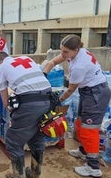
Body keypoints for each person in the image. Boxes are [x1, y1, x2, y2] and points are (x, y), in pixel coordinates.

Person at [43, 34, 111, 177]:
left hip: (96, 94)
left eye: (66, 52)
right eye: (61, 50)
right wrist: (43, 73)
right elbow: (53, 61)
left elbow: (71, 90)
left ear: (76, 49)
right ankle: (84, 151)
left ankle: (93, 167)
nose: (63, 54)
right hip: (88, 92)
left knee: (89, 130)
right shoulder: (75, 53)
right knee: (79, 123)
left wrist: (58, 100)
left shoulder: (80, 65)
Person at [0, 51, 52, 178]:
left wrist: (13, 112)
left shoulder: (0, 68)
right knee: (36, 135)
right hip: (48, 100)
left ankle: (18, 175)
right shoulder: (26, 58)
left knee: (13, 141)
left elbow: (4, 99)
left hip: (29, 103)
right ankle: (35, 172)